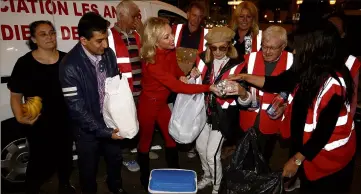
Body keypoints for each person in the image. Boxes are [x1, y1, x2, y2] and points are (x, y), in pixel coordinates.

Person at [228, 21, 356, 194]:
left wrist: (296, 160)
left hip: (330, 160)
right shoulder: (307, 67)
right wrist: (244, 76)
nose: (294, 51)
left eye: (299, 47)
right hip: (309, 153)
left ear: (315, 48)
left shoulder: (333, 84)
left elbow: (322, 133)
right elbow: (277, 82)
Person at [137, 17, 220, 190]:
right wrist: (208, 87)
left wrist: (185, 74)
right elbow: (179, 87)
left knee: (171, 138)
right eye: (166, 37)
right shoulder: (152, 63)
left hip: (161, 104)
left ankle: (175, 172)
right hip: (149, 105)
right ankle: (144, 179)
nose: (172, 39)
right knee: (145, 142)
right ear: (155, 40)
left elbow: (175, 71)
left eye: (171, 34)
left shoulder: (169, 51)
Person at [59, 12, 127, 194]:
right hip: (86, 129)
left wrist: (121, 116)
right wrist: (104, 132)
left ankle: (116, 187)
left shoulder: (109, 54)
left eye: (105, 39)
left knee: (115, 159)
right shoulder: (69, 65)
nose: (105, 45)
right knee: (88, 168)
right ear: (83, 40)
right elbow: (76, 109)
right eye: (99, 41)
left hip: (109, 121)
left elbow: (114, 87)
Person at [8, 20, 75, 194]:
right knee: (39, 161)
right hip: (38, 122)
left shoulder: (67, 59)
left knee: (65, 157)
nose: (50, 37)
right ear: (34, 39)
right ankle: (32, 188)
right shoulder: (24, 63)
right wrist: (20, 117)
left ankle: (65, 184)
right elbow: (15, 96)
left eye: (52, 32)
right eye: (43, 34)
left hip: (65, 120)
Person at [231, 26, 293, 164]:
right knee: (243, 159)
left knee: (264, 159)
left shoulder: (292, 61)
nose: (267, 51)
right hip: (248, 118)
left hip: (271, 122)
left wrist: (285, 108)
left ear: (283, 46)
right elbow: (238, 85)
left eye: (272, 48)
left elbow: (295, 93)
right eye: (264, 46)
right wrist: (245, 97)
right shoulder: (249, 58)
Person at [195, 27, 244, 194]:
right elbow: (195, 84)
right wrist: (190, 75)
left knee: (211, 154)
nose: (217, 52)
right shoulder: (203, 59)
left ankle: (217, 187)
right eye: (213, 47)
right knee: (200, 148)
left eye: (222, 47)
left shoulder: (237, 64)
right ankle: (208, 176)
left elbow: (240, 91)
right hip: (204, 112)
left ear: (229, 46)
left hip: (223, 115)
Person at [107, 0, 145, 172]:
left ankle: (137, 150)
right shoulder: (109, 36)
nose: (137, 19)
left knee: (138, 123)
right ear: (121, 15)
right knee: (124, 125)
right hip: (123, 92)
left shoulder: (137, 35)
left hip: (140, 90)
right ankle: (127, 156)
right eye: (134, 15)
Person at [171, 1, 208, 158]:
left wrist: (198, 73)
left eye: (200, 17)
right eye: (193, 15)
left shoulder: (206, 34)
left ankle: (190, 142)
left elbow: (208, 57)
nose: (196, 19)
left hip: (194, 79)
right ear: (187, 14)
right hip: (175, 78)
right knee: (176, 110)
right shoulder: (176, 29)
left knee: (191, 112)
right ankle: (176, 139)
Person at [328, 14, 361, 117]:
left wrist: (348, 122)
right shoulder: (315, 58)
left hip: (341, 124)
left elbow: (353, 99)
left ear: (343, 34)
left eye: (335, 28)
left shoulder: (351, 62)